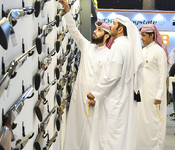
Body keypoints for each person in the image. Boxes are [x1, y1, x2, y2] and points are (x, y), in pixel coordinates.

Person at [59, 0, 114, 150]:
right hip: (79, 96)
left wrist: (97, 97)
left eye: (99, 31)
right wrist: (66, 7)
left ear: (107, 36)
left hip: (94, 99)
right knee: (75, 131)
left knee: (92, 134)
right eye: (96, 30)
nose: (95, 32)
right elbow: (73, 29)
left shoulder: (110, 55)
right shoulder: (87, 47)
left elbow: (108, 81)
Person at [87, 15, 144, 150]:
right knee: (119, 136)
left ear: (120, 30)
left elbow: (112, 76)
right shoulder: (127, 45)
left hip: (114, 99)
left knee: (110, 137)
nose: (110, 26)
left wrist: (95, 92)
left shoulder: (118, 46)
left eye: (113, 24)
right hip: (121, 98)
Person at [137, 24, 169, 150]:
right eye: (141, 35)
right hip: (143, 92)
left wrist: (159, 94)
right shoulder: (143, 51)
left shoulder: (159, 51)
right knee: (143, 121)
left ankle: (156, 147)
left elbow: (163, 75)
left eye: (144, 35)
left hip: (154, 93)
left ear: (152, 36)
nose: (142, 38)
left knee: (154, 121)